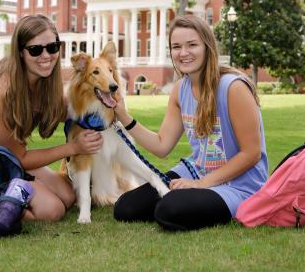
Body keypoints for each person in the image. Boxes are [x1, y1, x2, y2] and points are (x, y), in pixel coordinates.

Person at [0, 14, 103, 222]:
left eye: (52, 47)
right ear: (21, 52)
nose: (46, 55)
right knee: (52, 210)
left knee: (68, 195)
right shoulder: (2, 89)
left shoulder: (44, 81)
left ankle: (4, 194)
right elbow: (20, 157)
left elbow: (70, 110)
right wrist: (73, 148)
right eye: (35, 49)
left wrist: (106, 104)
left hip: (1, 159)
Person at [113, 15, 268, 231]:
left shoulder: (233, 88)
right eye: (176, 47)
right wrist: (123, 116)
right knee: (126, 208)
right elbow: (162, 145)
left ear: (207, 47)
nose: (183, 53)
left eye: (192, 45)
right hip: (197, 172)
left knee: (169, 210)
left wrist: (200, 185)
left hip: (239, 185)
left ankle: (203, 202)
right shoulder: (180, 89)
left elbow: (252, 153)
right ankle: (192, 200)